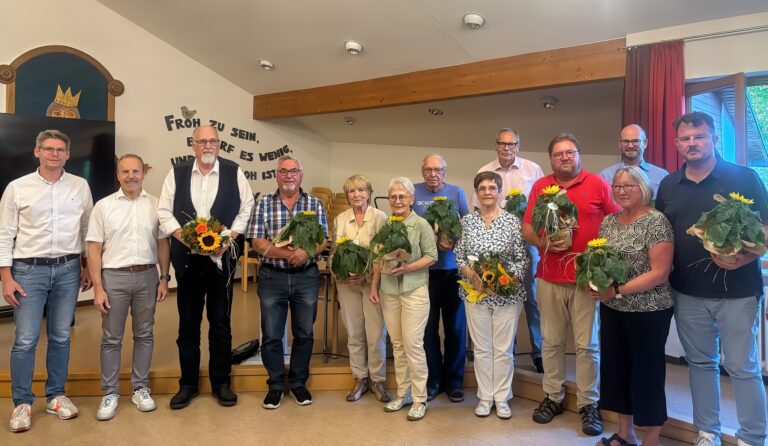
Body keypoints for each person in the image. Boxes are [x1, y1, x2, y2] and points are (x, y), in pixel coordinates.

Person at [656, 111, 768, 446]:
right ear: (677, 144)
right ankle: (708, 432)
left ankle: (753, 437)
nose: (693, 143)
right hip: (687, 292)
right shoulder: (667, 185)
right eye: (686, 138)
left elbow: (766, 230)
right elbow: (663, 237)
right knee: (700, 365)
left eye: (699, 137)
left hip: (739, 293)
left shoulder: (744, 178)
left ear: (713, 140)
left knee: (742, 367)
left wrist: (745, 257)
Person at [522, 133, 620, 436]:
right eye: (558, 154)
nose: (565, 157)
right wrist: (544, 240)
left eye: (570, 152)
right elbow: (527, 226)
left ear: (578, 155)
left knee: (587, 345)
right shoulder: (541, 187)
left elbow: (617, 221)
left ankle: (589, 403)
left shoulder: (596, 184)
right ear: (550, 159)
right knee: (551, 342)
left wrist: (604, 260)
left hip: (586, 279)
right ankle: (553, 396)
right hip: (549, 277)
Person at [0, 129, 93, 433]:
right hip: (28, 271)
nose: (55, 154)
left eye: (60, 149)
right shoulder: (17, 188)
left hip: (68, 269)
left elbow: (87, 231)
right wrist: (6, 277)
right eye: (48, 149)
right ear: (37, 152)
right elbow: (4, 234)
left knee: (61, 336)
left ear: (67, 154)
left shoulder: (80, 186)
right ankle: (22, 403)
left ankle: (55, 395)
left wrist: (87, 267)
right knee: (25, 340)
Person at [158, 125, 254, 409]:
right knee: (187, 326)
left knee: (221, 324)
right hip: (187, 261)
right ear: (193, 145)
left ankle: (221, 382)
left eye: (213, 141)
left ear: (219, 145)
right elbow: (164, 211)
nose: (208, 146)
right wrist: (185, 237)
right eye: (202, 141)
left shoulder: (234, 171)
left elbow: (246, 207)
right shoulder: (176, 173)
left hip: (221, 261)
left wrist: (228, 237)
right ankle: (187, 384)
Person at [592, 166, 674, 446]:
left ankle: (651, 438)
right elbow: (601, 261)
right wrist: (596, 283)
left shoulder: (656, 221)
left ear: (644, 188)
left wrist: (615, 290)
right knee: (616, 370)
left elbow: (659, 272)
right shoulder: (609, 222)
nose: (622, 191)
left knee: (646, 373)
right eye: (617, 186)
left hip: (649, 311)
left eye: (629, 185)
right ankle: (626, 433)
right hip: (614, 310)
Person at [87, 154, 171, 421]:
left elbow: (162, 244)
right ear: (118, 174)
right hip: (114, 278)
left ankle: (140, 388)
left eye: (135, 171)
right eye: (125, 171)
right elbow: (94, 249)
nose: (131, 176)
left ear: (143, 173)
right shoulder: (103, 206)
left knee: (144, 334)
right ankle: (110, 393)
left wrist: (164, 277)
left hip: (147, 276)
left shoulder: (156, 205)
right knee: (111, 338)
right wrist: (98, 288)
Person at [248, 155, 328, 410]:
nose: (289, 176)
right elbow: (256, 241)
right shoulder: (263, 204)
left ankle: (298, 383)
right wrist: (287, 254)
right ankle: (275, 385)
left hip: (306, 277)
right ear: (277, 175)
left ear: (301, 175)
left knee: (304, 333)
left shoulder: (314, 204)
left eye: (294, 171)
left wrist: (307, 252)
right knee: (272, 335)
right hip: (273, 277)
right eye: (283, 171)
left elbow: (324, 239)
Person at [455, 171, 528, 419]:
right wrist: (474, 278)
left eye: (492, 188)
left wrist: (506, 282)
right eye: (482, 188)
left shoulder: (512, 222)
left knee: (503, 349)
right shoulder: (467, 222)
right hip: (476, 294)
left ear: (499, 192)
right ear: (476, 192)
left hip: (507, 295)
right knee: (482, 349)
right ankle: (485, 397)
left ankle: (502, 397)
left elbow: (521, 259)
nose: (487, 192)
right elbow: (459, 256)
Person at [472, 128, 545, 374]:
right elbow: (476, 208)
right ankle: (507, 351)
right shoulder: (485, 171)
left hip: (526, 242)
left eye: (511, 144)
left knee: (532, 298)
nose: (506, 148)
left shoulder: (532, 169)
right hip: (496, 244)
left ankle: (539, 352)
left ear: (518, 145)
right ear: (495, 146)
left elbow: (544, 205)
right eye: (502, 144)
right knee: (502, 294)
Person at [370, 177, 437, 421]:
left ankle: (420, 398)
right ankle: (403, 393)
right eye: (393, 197)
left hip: (415, 291)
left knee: (413, 344)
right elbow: (378, 259)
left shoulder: (421, 224)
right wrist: (374, 286)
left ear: (411, 199)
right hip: (389, 291)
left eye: (402, 196)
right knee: (397, 344)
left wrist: (408, 268)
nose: (397, 201)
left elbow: (432, 256)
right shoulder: (386, 226)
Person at [412, 154, 469, 402]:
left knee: (456, 328)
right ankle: (434, 380)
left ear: (445, 172)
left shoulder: (458, 193)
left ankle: (454, 381)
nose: (433, 174)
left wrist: (454, 239)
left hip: (454, 270)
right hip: (424, 272)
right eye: (428, 170)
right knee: (428, 329)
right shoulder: (413, 192)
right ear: (422, 171)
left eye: (438, 170)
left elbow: (467, 227)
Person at [332, 174, 389, 403]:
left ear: (369, 193)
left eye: (361, 190)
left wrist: (366, 276)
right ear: (347, 196)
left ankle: (378, 380)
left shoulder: (380, 217)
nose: (357, 195)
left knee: (375, 334)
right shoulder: (340, 219)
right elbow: (334, 254)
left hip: (373, 283)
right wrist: (343, 274)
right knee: (354, 333)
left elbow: (384, 253)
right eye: (352, 191)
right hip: (347, 284)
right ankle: (360, 378)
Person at [599, 124, 669, 196]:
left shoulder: (662, 176)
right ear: (619, 144)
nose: (630, 145)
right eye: (626, 141)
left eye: (635, 141)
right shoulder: (605, 176)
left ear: (645, 143)